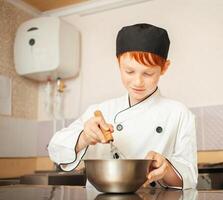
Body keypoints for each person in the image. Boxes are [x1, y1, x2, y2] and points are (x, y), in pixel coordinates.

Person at [48, 23, 198, 189]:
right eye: (129, 71)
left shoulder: (179, 113)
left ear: (164, 68)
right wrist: (84, 138)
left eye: (148, 73)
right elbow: (55, 149)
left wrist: (166, 169)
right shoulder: (100, 111)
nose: (138, 82)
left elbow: (190, 176)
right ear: (118, 63)